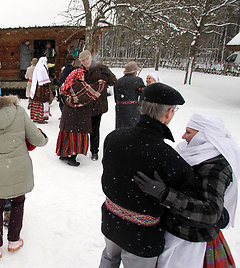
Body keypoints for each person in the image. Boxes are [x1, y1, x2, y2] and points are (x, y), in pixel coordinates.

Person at [99, 83, 194, 268]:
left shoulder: (114, 137)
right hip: (141, 237)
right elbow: (187, 200)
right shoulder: (168, 157)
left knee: (109, 259)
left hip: (111, 222)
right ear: (168, 114)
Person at [133, 113, 238, 268]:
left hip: (192, 242)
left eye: (189, 132)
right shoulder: (190, 151)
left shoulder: (216, 167)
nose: (183, 136)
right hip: (174, 230)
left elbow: (211, 213)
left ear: (205, 136)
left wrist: (165, 194)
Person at [0, 70, 48, 258]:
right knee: (18, 203)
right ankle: (13, 240)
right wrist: (43, 137)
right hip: (20, 169)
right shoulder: (18, 111)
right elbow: (37, 139)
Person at [57, 54, 106, 167]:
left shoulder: (68, 84)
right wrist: (101, 84)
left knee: (66, 135)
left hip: (67, 115)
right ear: (79, 76)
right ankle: (72, 158)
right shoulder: (78, 85)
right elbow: (90, 93)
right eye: (82, 75)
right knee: (76, 136)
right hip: (76, 117)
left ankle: (63, 154)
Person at [79, 50, 117, 161]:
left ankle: (94, 151)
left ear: (91, 58)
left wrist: (108, 76)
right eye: (83, 60)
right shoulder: (80, 71)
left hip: (98, 104)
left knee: (95, 128)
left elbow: (113, 82)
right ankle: (80, 148)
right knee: (82, 127)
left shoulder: (101, 68)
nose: (85, 62)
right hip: (84, 103)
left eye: (86, 59)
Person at [113, 61, 145, 129]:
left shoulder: (118, 81)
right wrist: (139, 105)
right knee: (133, 130)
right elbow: (143, 95)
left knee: (121, 129)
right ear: (134, 72)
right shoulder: (138, 80)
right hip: (133, 110)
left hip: (120, 110)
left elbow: (116, 98)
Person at [29, 56, 52, 124]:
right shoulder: (41, 68)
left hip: (36, 89)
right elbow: (43, 80)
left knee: (36, 102)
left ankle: (35, 117)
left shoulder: (38, 67)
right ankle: (40, 118)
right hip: (41, 90)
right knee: (41, 103)